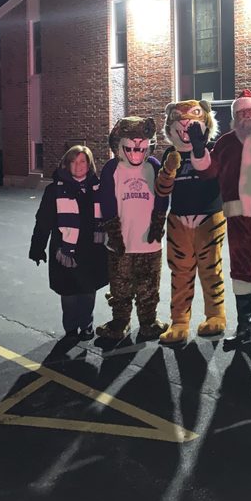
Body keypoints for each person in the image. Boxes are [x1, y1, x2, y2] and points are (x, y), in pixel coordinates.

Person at [188, 89, 251, 349]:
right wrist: (198, 149)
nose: (247, 116)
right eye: (241, 113)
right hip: (239, 219)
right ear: (234, 117)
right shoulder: (226, 143)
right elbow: (208, 171)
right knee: (242, 275)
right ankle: (245, 329)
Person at [154, 99, 227, 344]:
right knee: (181, 273)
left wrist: (199, 148)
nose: (185, 122)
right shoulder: (169, 153)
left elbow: (214, 174)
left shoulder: (214, 148)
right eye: (178, 118)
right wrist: (168, 170)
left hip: (210, 217)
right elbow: (162, 191)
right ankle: (180, 322)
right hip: (179, 220)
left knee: (211, 270)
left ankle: (216, 315)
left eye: (194, 116)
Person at [97, 116, 169, 340]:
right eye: (130, 144)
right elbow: (106, 201)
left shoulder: (155, 166)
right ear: (118, 144)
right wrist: (113, 233)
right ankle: (120, 322)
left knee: (149, 287)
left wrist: (158, 223)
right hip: (121, 245)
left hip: (149, 242)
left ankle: (148, 322)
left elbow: (163, 196)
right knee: (120, 288)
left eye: (142, 143)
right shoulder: (112, 169)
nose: (136, 148)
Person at [28, 145, 108, 340]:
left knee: (88, 291)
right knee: (69, 292)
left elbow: (111, 218)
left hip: (91, 249)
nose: (78, 166)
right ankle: (71, 327)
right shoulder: (54, 190)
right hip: (65, 250)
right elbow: (43, 221)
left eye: (83, 161)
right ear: (66, 164)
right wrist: (37, 248)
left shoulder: (99, 189)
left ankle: (86, 324)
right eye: (74, 161)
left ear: (89, 165)